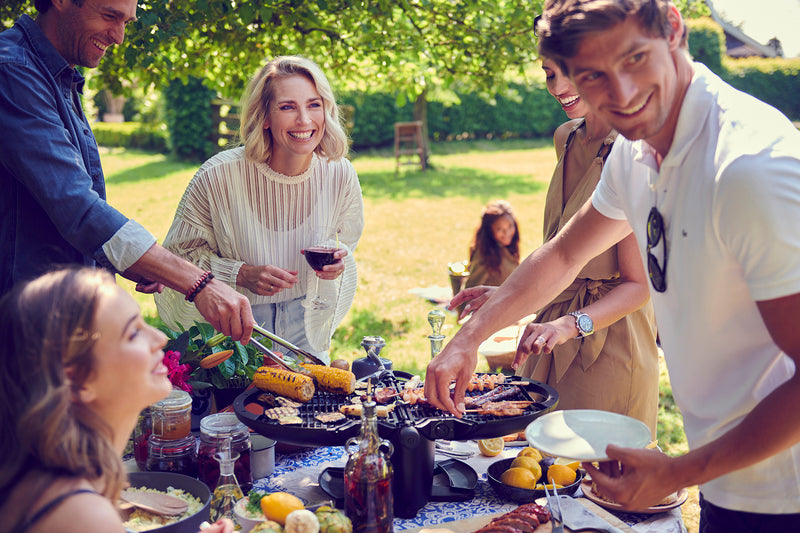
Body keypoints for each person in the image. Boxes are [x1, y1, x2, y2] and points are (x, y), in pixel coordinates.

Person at [426, 0, 800, 528]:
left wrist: (677, 472)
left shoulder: (747, 168)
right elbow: (563, 254)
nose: (621, 94)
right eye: (592, 75)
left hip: (785, 492)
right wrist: (466, 340)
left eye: (633, 59)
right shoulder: (634, 150)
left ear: (672, 27)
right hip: (730, 478)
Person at [0, 0, 254, 342]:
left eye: (126, 22)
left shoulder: (56, 74)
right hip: (23, 326)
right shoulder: (12, 71)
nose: (119, 37)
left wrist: (132, 260)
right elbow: (75, 205)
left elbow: (52, 208)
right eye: (109, 16)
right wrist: (199, 283)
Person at [454, 56, 659, 435]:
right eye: (549, 74)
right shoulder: (565, 137)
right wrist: (512, 294)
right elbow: (570, 251)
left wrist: (571, 323)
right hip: (550, 335)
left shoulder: (631, 151)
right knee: (538, 470)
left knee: (594, 481)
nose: (559, 87)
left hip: (611, 345)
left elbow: (639, 286)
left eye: (570, 70)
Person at [154, 56, 364, 361]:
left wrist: (336, 263)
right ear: (264, 116)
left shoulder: (340, 173)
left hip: (307, 322)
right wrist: (240, 273)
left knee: (308, 408)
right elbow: (177, 259)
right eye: (287, 107)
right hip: (234, 327)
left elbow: (345, 242)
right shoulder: (217, 176)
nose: (305, 120)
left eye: (314, 105)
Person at [0, 267, 234, 533]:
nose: (161, 338)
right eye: (133, 333)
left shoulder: (56, 481)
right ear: (77, 380)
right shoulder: (81, 515)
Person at [463, 200, 521, 290]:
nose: (507, 233)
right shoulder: (485, 255)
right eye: (500, 229)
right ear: (489, 230)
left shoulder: (508, 248)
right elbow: (470, 289)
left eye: (510, 226)